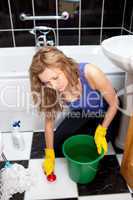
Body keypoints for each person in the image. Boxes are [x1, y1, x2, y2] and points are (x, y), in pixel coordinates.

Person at [29, 47, 119, 177]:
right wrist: (49, 154)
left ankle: (98, 131)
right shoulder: (50, 89)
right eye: (46, 82)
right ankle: (88, 130)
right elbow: (49, 124)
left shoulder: (90, 73)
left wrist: (102, 130)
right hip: (82, 112)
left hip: (105, 112)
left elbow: (114, 103)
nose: (53, 86)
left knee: (95, 149)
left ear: (64, 66)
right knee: (57, 146)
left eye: (55, 77)